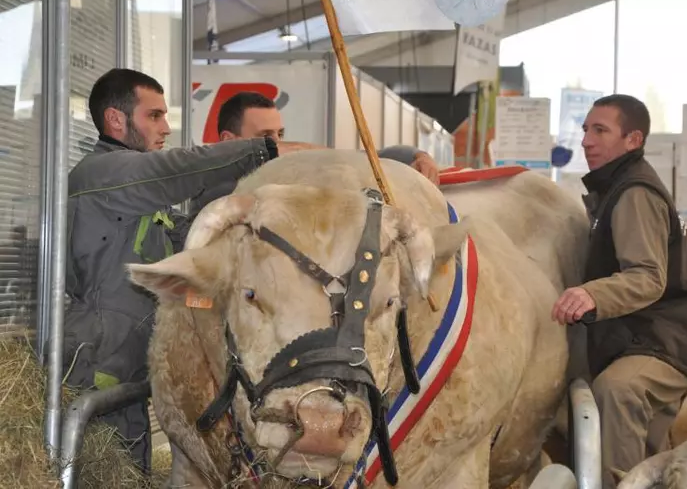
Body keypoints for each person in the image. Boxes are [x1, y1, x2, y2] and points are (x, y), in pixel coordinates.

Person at [63, 68, 301, 473]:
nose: (166, 127)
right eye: (154, 115)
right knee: (98, 471)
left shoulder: (138, 197)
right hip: (99, 361)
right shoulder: (103, 173)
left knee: (132, 471)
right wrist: (267, 152)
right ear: (116, 120)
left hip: (129, 359)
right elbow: (177, 170)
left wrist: (215, 300)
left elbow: (171, 277)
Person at [550, 94, 687, 488]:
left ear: (633, 140)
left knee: (616, 390)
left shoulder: (635, 192)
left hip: (665, 341)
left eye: (600, 130)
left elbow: (647, 277)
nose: (586, 140)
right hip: (639, 336)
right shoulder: (613, 190)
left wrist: (592, 295)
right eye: (586, 129)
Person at [186, 91, 441, 218]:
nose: (276, 144)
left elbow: (359, 158)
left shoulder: (282, 173)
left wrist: (417, 155)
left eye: (280, 134)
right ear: (229, 141)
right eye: (265, 136)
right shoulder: (210, 193)